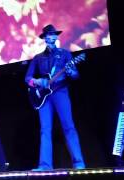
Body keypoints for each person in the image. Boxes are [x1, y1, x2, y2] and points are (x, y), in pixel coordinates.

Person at [25, 24, 85, 170]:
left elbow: (76, 75)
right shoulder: (38, 58)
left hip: (60, 92)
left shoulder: (64, 54)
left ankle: (79, 163)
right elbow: (27, 78)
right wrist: (37, 81)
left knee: (68, 126)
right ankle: (45, 165)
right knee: (45, 129)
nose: (52, 36)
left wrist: (71, 73)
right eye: (49, 34)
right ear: (45, 38)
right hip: (44, 97)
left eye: (54, 34)